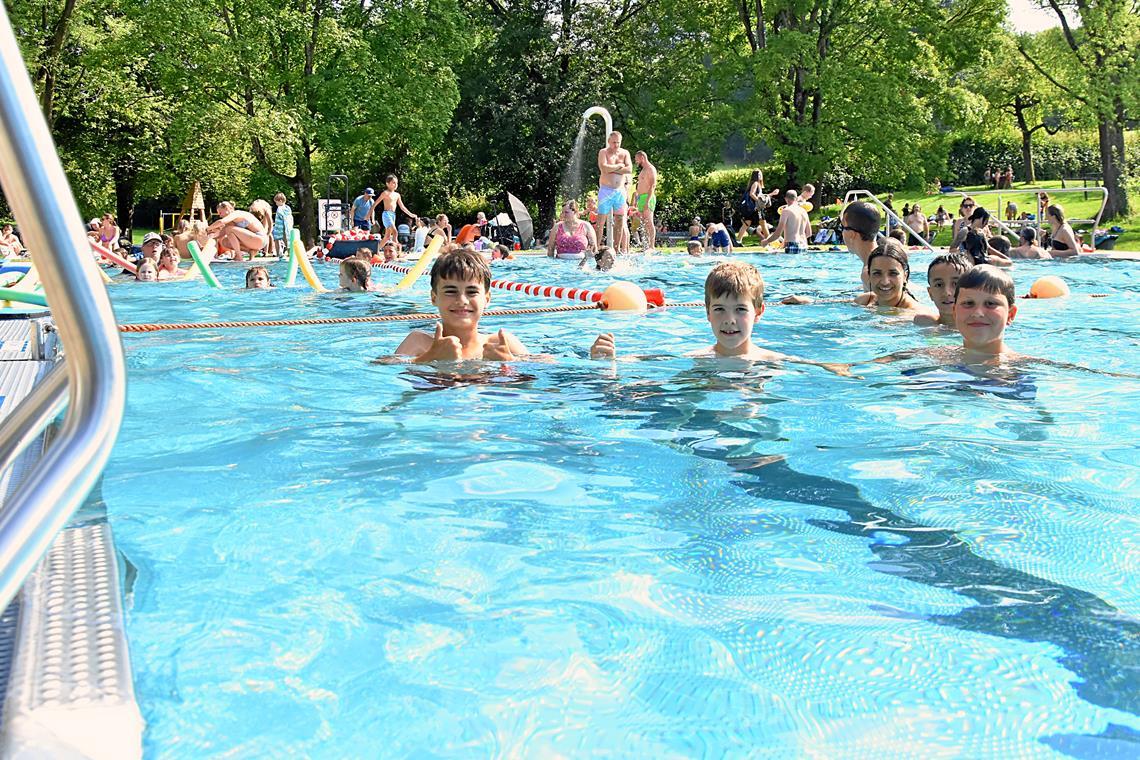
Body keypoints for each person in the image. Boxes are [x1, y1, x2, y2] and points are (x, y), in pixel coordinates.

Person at [589, 261, 848, 374]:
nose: (729, 319)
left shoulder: (771, 361)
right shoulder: (699, 361)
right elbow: (652, 360)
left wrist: (838, 367)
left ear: (758, 312)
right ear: (707, 314)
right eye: (720, 309)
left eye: (741, 310)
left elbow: (814, 364)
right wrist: (611, 361)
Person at [392, 249, 527, 362]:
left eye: (472, 292)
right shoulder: (419, 342)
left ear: (487, 299)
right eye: (451, 291)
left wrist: (510, 363)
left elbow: (543, 373)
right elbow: (383, 370)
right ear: (434, 298)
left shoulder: (501, 343)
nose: (462, 300)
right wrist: (429, 357)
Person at [954, 265, 1019, 360]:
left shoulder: (1024, 370)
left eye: (990, 303)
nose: (978, 313)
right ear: (955, 312)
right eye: (968, 303)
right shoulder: (936, 358)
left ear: (1010, 315)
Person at [854, 240, 921, 311]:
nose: (885, 282)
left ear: (905, 276)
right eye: (877, 273)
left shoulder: (916, 314)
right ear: (869, 275)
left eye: (893, 273)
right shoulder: (863, 301)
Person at [594, 131, 632, 251]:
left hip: (619, 191)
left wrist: (613, 169)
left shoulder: (625, 153)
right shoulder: (603, 152)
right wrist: (619, 166)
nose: (616, 145)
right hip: (606, 190)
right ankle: (596, 247)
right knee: (601, 221)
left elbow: (629, 169)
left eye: (618, 142)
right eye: (614, 142)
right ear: (609, 142)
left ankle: (616, 249)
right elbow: (604, 168)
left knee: (620, 220)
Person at [914, 254, 972, 327]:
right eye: (939, 285)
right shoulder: (923, 323)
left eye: (955, 284)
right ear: (930, 293)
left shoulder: (983, 329)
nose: (947, 292)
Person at [839, 201, 882, 288]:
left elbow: (885, 301)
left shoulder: (869, 272)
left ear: (852, 234)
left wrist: (813, 301)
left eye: (843, 227)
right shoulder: (882, 259)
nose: (842, 232)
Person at [375, 175, 415, 249]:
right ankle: (396, 249)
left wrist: (411, 214)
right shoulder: (385, 193)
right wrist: (369, 215)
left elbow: (402, 207)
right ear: (387, 184)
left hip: (393, 215)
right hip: (386, 214)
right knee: (395, 232)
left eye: (396, 183)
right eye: (393, 183)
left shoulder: (397, 195)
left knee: (387, 237)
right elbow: (375, 204)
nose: (395, 185)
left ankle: (376, 251)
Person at [633, 150, 658, 252]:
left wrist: (647, 201)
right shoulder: (643, 170)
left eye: (637, 159)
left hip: (648, 197)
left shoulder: (650, 169)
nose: (636, 162)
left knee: (649, 222)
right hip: (641, 198)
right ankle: (646, 245)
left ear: (642, 157)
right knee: (643, 222)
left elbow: (652, 185)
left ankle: (652, 246)